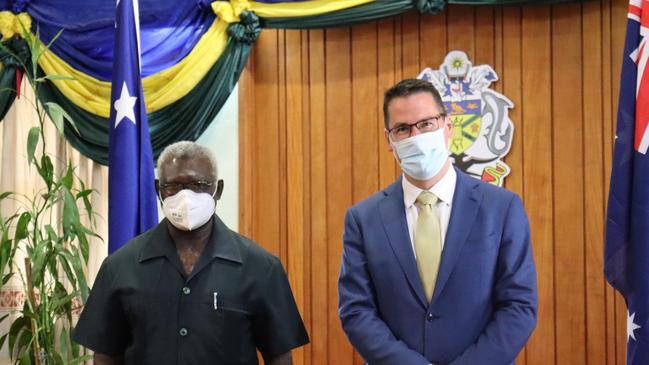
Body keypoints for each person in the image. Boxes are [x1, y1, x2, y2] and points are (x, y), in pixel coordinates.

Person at [338, 79, 537, 365]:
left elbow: (519, 306)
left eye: (426, 123)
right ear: (389, 141)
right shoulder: (363, 219)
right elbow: (357, 311)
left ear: (448, 127)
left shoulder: (502, 209)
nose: (415, 135)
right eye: (403, 129)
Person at [73, 141, 309, 365]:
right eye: (174, 185)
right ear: (158, 190)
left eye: (199, 185)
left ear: (218, 190)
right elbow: (106, 356)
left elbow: (278, 356)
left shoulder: (261, 267)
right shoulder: (119, 267)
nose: (185, 196)